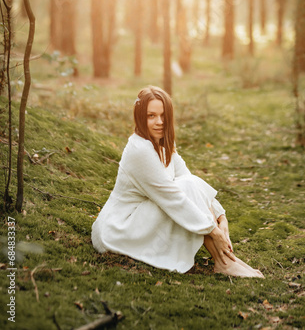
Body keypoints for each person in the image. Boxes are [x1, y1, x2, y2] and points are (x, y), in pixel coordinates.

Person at [91, 86, 264, 278]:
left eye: (163, 116)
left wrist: (222, 217)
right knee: (185, 190)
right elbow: (173, 198)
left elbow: (193, 184)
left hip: (139, 216)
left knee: (190, 183)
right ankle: (223, 262)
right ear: (141, 117)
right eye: (151, 116)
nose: (159, 122)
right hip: (117, 228)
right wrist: (214, 231)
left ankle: (227, 259)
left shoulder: (163, 144)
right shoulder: (140, 150)